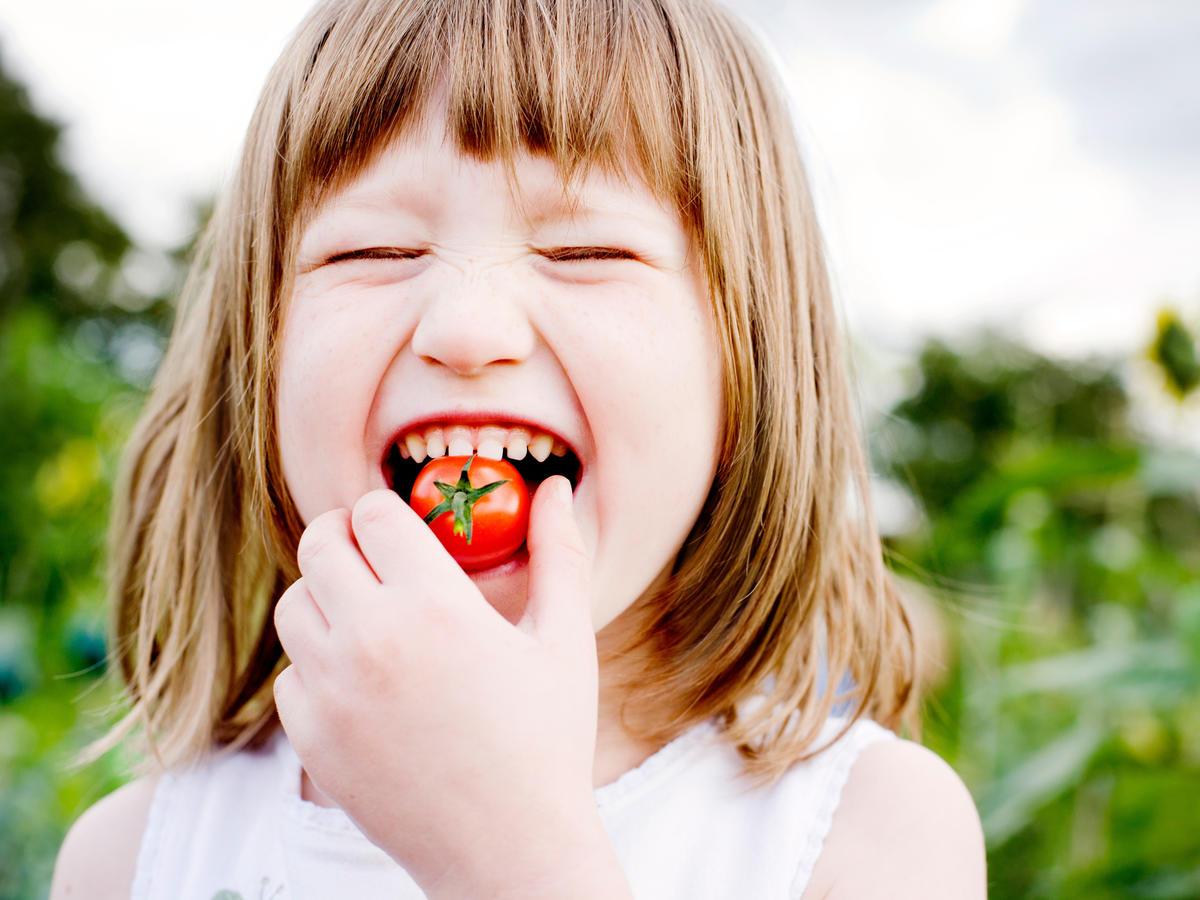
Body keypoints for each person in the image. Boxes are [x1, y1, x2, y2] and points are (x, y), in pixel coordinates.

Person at [50, 0, 987, 897]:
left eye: (587, 254)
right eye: (370, 252)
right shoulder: (131, 859)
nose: (466, 329)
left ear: (749, 357)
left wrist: (516, 864)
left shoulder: (866, 833)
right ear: (258, 354)